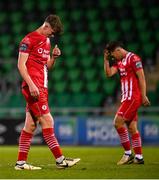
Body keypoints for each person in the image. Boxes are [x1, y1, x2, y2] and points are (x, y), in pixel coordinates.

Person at [15, 14, 80, 170]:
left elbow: (46, 66)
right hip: (34, 87)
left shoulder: (47, 41)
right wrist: (31, 85)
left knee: (30, 126)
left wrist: (54, 57)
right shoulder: (28, 40)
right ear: (46, 26)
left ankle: (20, 163)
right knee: (48, 121)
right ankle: (60, 160)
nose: (52, 35)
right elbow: (20, 65)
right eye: (52, 32)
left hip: (41, 87)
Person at [104, 41, 150, 165]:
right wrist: (106, 60)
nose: (113, 58)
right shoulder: (119, 62)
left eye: (113, 55)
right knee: (132, 128)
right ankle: (139, 157)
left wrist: (144, 95)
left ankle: (128, 154)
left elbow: (141, 77)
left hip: (133, 98)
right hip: (126, 98)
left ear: (118, 50)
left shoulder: (133, 58)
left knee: (117, 122)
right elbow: (109, 74)